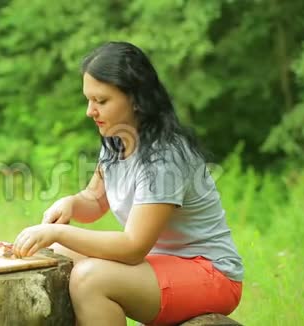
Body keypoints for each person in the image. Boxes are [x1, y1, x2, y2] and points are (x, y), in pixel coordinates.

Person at [12, 41, 244, 326]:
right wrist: (71, 203)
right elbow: (95, 200)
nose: (90, 111)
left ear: (135, 98)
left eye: (101, 101)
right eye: (88, 99)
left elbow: (133, 247)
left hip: (210, 274)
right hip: (162, 266)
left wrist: (57, 232)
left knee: (89, 279)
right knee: (57, 256)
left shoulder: (165, 156)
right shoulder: (115, 141)